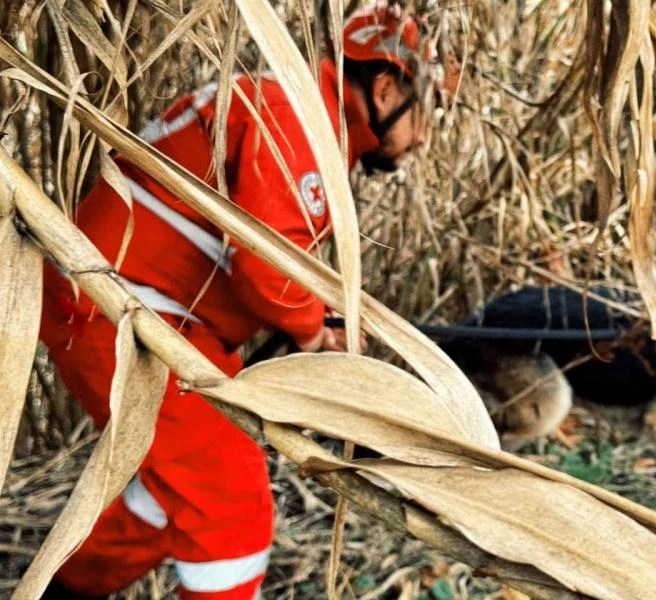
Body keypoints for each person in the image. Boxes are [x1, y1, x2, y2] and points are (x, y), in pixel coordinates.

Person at [38, 3, 433, 598]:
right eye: (429, 113)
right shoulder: (298, 118)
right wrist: (307, 331)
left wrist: (313, 318)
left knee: (173, 490)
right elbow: (265, 266)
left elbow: (255, 253)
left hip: (144, 314)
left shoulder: (301, 114)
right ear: (384, 88)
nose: (425, 137)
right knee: (229, 503)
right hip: (118, 309)